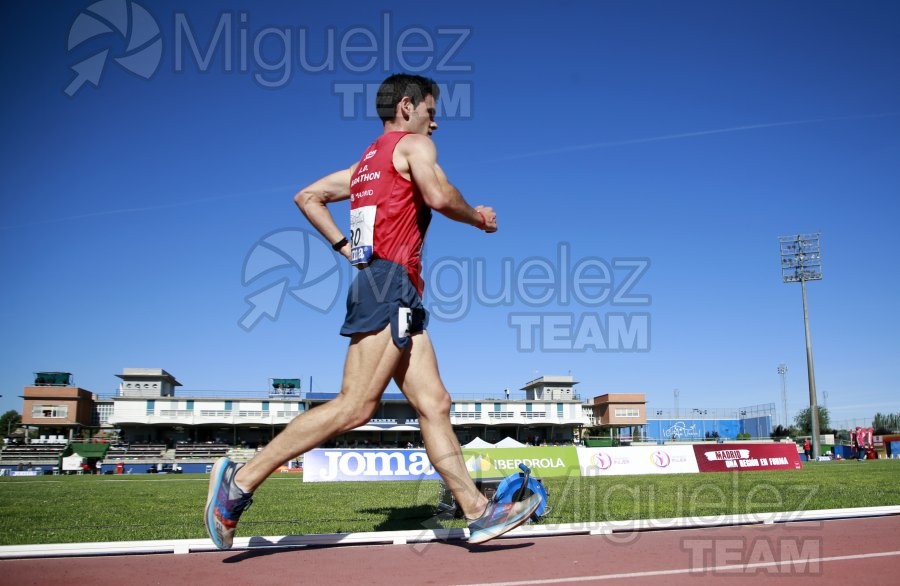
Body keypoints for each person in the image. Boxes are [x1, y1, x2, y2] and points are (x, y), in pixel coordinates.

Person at [205, 73, 541, 550]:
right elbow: (440, 197)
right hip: (390, 285)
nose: (436, 123)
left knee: (435, 403)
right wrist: (479, 219)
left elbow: (307, 196)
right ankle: (238, 484)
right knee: (356, 405)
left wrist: (346, 248)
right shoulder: (413, 147)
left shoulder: (365, 164)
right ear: (406, 107)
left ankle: (476, 512)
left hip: (390, 286)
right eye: (430, 110)